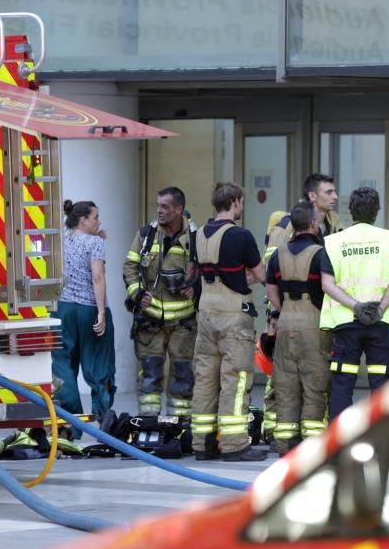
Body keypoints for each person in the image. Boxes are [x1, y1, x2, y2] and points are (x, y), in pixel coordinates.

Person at [260, 173, 343, 444]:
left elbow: (271, 283)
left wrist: (283, 308)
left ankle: (285, 439)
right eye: (329, 192)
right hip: (305, 318)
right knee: (305, 382)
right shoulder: (297, 236)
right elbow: (328, 284)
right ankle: (298, 439)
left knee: (290, 380)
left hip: (296, 318)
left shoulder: (332, 224)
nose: (334, 196)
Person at [191, 182, 267, 462]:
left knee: (205, 379)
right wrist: (248, 275)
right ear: (235, 202)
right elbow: (261, 274)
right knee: (235, 379)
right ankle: (234, 445)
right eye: (242, 202)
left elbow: (199, 271)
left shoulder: (198, 234)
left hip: (206, 312)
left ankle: (202, 443)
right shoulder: (241, 236)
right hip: (234, 314)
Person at [321, 187, 389, 420]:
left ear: (351, 211)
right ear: (377, 211)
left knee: (342, 383)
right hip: (380, 323)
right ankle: (382, 436)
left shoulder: (333, 242)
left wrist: (356, 307)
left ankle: (338, 442)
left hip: (346, 323)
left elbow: (327, 284)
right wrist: (378, 309)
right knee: (381, 383)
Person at [123, 187, 199, 422]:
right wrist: (137, 294)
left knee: (182, 374)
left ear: (179, 210)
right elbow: (130, 267)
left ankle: (180, 424)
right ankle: (148, 423)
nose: (159, 210)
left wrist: (196, 288)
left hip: (183, 323)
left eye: (165, 206)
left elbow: (207, 270)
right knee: (150, 373)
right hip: (150, 321)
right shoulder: (146, 234)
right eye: (158, 205)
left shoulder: (196, 238)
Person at [265, 201, 331, 454]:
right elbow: (326, 289)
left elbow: (271, 290)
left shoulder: (278, 254)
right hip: (313, 324)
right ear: (313, 224)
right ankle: (312, 447)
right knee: (315, 385)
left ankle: (285, 443)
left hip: (286, 321)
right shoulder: (321, 254)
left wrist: (284, 308)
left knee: (286, 384)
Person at [52, 200, 116, 433]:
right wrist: (101, 312)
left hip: (63, 309)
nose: (99, 221)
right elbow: (97, 277)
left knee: (62, 364)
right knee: (98, 364)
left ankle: (71, 422)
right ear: (83, 220)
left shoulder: (60, 239)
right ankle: (103, 420)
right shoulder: (94, 242)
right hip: (89, 308)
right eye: (95, 217)